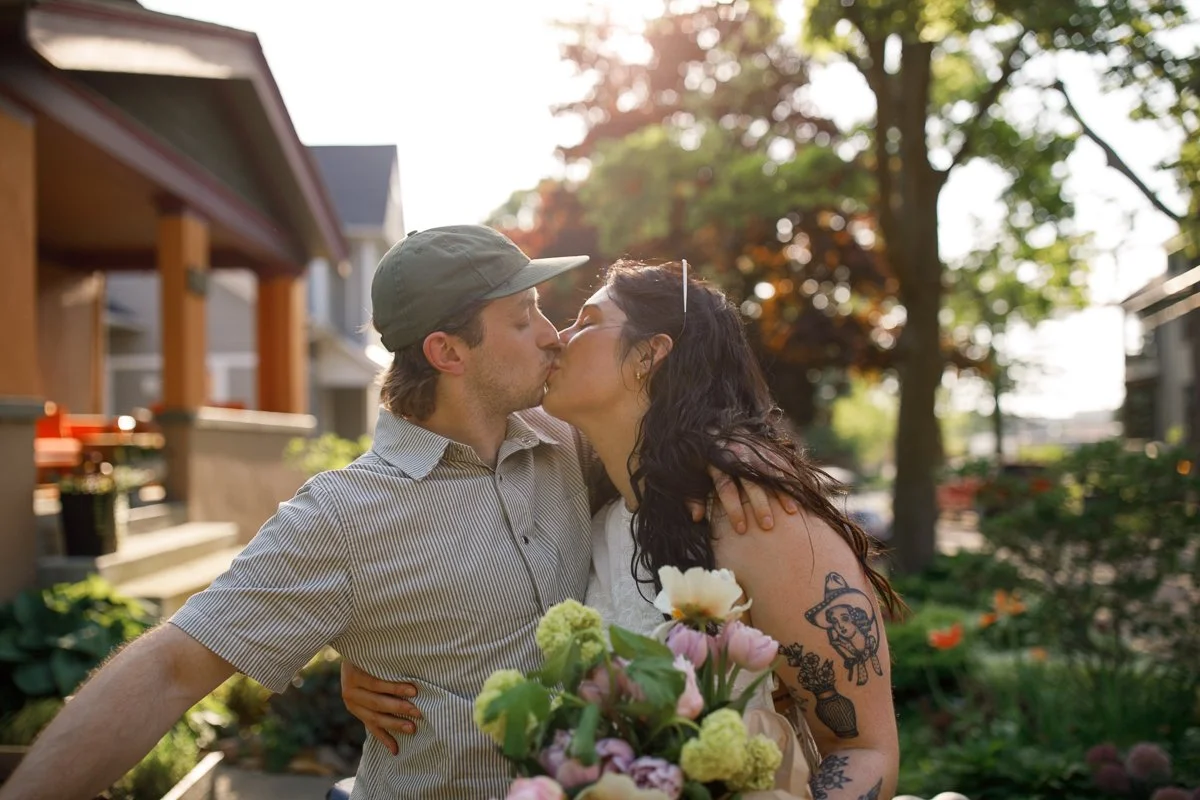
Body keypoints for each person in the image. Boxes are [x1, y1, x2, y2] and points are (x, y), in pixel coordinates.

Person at [0, 229, 777, 800]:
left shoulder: (570, 442)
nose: (554, 335)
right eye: (524, 317)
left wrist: (751, 472)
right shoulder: (343, 518)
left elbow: (677, 421)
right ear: (448, 352)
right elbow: (173, 666)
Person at [344, 261, 904, 799]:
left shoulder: (754, 516)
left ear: (649, 354)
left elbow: (862, 748)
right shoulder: (587, 497)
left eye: (586, 322)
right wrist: (365, 651)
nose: (557, 337)